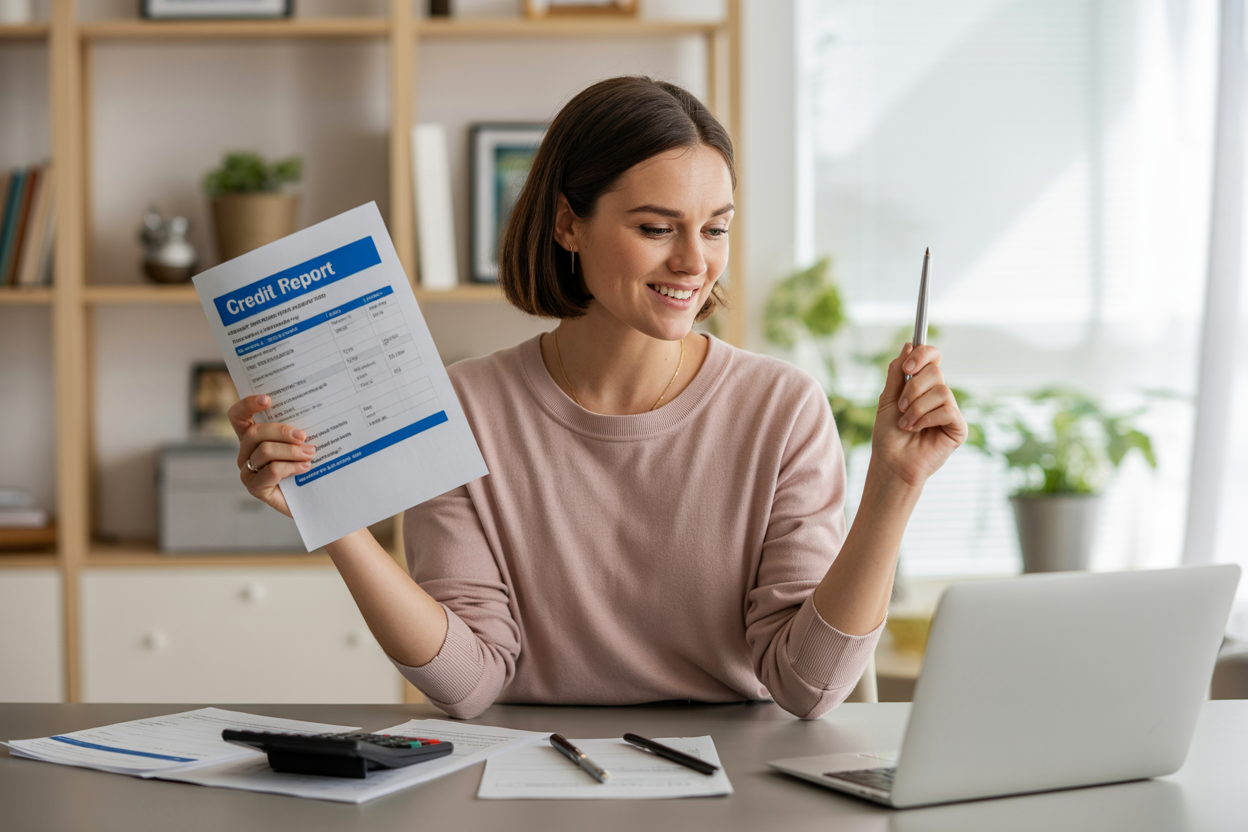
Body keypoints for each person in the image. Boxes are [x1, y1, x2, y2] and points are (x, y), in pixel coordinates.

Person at [228, 76, 967, 720]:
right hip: (523, 776)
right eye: (655, 228)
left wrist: (895, 488)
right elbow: (469, 682)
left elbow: (805, 687)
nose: (693, 262)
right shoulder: (467, 405)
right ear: (567, 224)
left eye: (715, 229)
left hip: (739, 781)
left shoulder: (781, 409)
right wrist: (334, 518)